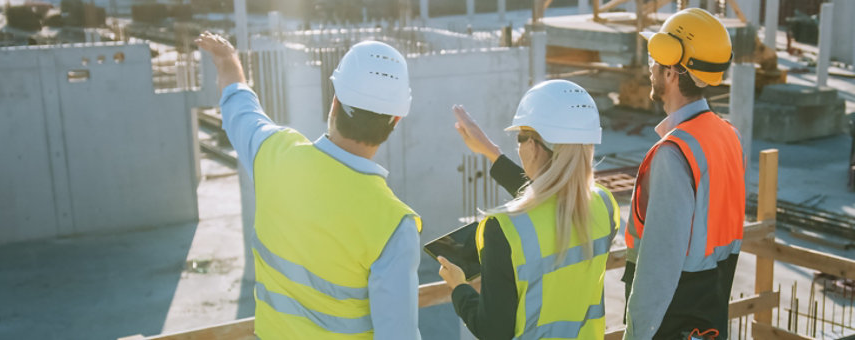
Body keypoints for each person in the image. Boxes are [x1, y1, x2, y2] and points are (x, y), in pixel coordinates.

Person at [196, 32, 422, 339]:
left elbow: (240, 106)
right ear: (396, 120)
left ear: (335, 101)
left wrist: (227, 60)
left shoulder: (274, 153)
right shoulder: (395, 226)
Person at [437, 80, 621, 340]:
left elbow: (493, 332)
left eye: (520, 138)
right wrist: (493, 155)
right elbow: (554, 198)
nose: (519, 147)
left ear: (534, 146)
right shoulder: (604, 205)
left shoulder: (503, 229)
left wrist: (459, 288)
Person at [622, 8, 747, 340]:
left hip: (671, 321)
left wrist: (636, 335)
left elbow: (658, 267)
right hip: (711, 315)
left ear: (672, 71)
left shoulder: (673, 154)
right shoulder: (729, 137)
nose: (650, 67)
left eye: (654, 60)